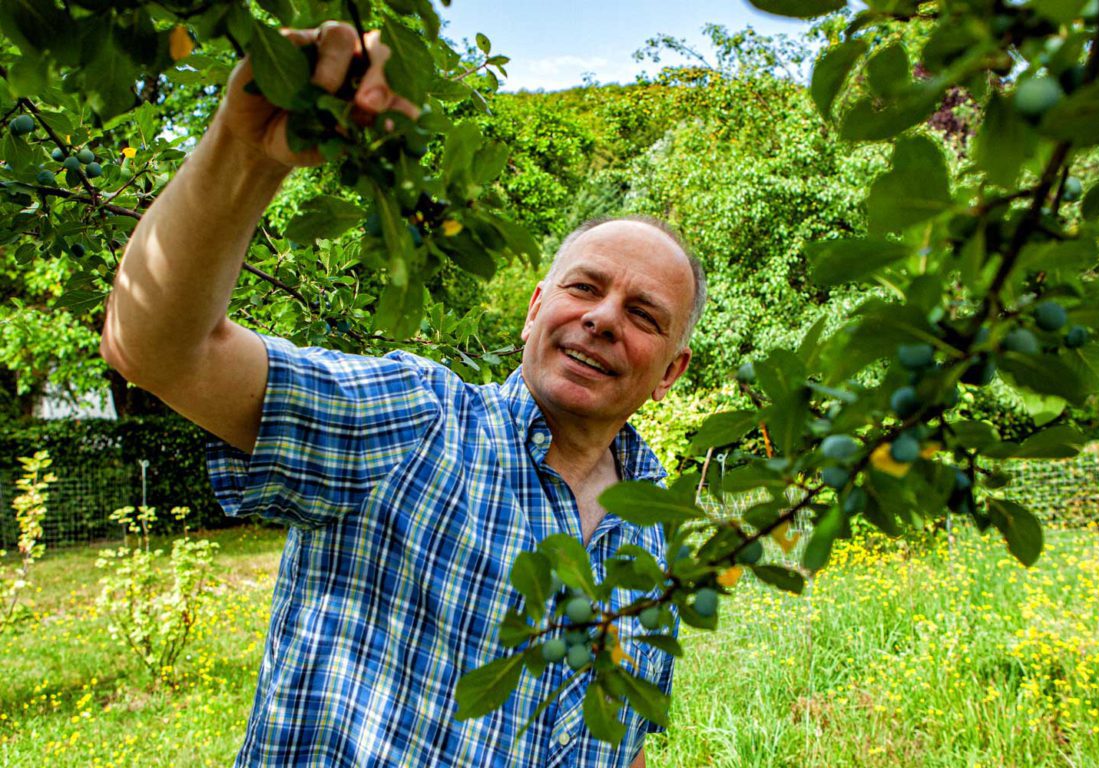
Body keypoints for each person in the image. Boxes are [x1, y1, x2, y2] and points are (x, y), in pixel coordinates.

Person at [101, 21, 706, 768]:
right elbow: (157, 348)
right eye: (584, 288)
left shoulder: (658, 530)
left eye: (644, 316)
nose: (603, 319)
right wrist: (245, 153)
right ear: (534, 310)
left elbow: (617, 742)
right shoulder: (415, 422)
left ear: (671, 372)